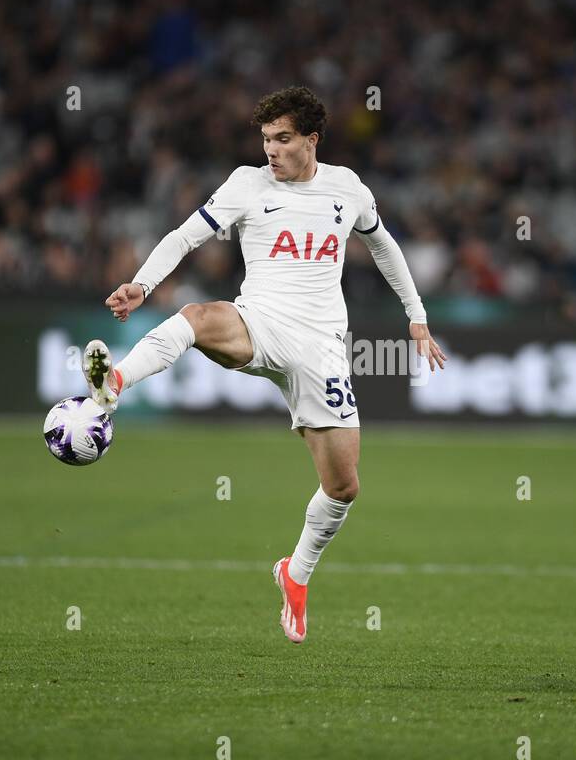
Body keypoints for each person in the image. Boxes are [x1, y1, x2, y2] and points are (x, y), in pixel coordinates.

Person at [83, 85, 447, 643]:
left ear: (311, 139)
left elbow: (385, 247)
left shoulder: (346, 188)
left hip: (322, 345)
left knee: (344, 486)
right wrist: (141, 283)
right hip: (260, 321)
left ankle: (295, 574)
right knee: (199, 316)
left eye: (282, 139)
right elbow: (185, 236)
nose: (270, 150)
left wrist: (416, 316)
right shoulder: (247, 184)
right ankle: (115, 383)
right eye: (265, 139)